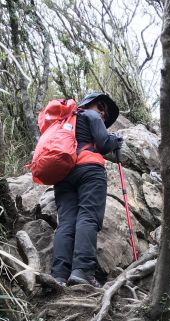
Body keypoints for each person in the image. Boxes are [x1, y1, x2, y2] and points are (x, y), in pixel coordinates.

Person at [51, 91, 123, 287]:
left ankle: (58, 275)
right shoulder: (89, 115)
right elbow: (103, 142)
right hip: (89, 170)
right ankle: (82, 271)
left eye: (105, 114)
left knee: (66, 223)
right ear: (89, 104)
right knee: (88, 217)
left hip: (63, 174)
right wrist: (116, 141)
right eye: (100, 107)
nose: (102, 114)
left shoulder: (64, 122)